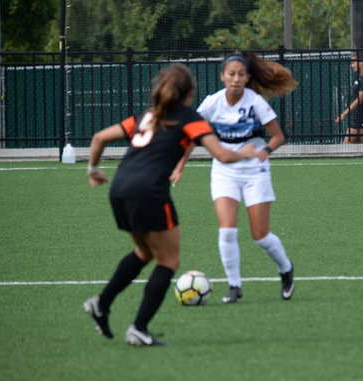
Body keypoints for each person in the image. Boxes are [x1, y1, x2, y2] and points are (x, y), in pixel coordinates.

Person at [82, 63, 256, 346]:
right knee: (168, 260)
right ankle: (139, 328)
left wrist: (93, 170)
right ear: (190, 93)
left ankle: (101, 304)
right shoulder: (189, 118)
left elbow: (99, 138)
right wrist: (247, 152)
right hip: (149, 192)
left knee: (144, 252)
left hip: (120, 188)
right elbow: (222, 155)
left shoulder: (147, 116)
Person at [195, 51, 297, 304]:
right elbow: (192, 131)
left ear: (248, 77)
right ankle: (234, 286)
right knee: (227, 230)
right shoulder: (212, 103)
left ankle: (286, 269)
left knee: (260, 235)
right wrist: (178, 163)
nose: (236, 78)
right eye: (231, 74)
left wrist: (266, 150)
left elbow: (278, 136)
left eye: (241, 74)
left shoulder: (255, 102)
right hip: (224, 171)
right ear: (222, 76)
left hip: (254, 172)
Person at [335, 51, 363, 144]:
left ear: (361, 62)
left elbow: (359, 99)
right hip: (356, 119)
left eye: (353, 62)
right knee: (345, 148)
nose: (352, 65)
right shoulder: (360, 78)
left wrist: (344, 114)